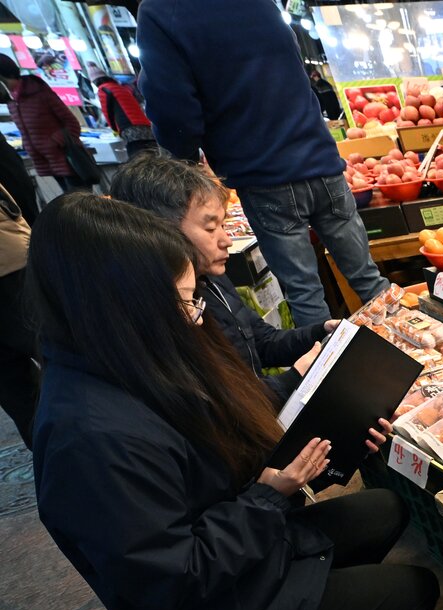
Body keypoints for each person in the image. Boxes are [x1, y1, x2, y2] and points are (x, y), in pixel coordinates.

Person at [29, 194, 440, 610]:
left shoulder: (132, 360)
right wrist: (271, 495)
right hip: (224, 609)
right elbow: (171, 579)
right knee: (418, 592)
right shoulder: (86, 440)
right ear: (123, 308)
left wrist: (320, 396)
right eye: (182, 304)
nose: (196, 316)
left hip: (254, 554)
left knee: (385, 508)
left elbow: (219, 422)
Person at [136, 0, 390, 328]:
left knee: (305, 294)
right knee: (370, 280)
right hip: (321, 161)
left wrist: (184, 161)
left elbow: (172, 106)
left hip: (264, 174)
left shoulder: (161, 10)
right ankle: (419, 357)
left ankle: (331, 372)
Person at [109, 152, 331, 406]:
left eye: (223, 225)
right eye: (211, 228)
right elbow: (218, 405)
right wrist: (293, 379)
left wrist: (320, 332)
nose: (226, 240)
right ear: (161, 233)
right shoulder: (166, 313)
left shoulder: (213, 280)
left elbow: (262, 342)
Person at [0, 54, 86, 192]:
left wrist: (54, 142)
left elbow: (72, 124)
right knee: (70, 203)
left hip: (68, 160)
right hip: (47, 163)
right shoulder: (12, 101)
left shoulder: (39, 92)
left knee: (82, 204)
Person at [0, 182, 36, 446]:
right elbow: (18, 187)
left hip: (10, 259)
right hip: (10, 264)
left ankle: (48, 451)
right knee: (64, 354)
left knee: (12, 384)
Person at [88, 63, 158, 156]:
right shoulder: (119, 87)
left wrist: (114, 130)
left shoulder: (103, 89)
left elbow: (107, 112)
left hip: (129, 126)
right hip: (145, 124)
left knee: (137, 157)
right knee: (153, 152)